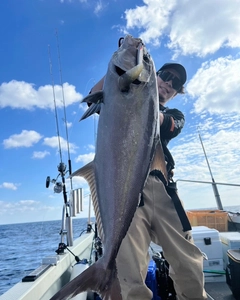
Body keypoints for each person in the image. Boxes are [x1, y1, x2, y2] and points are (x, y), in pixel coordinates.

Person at [88, 58, 207, 299]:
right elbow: (94, 95)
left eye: (176, 83)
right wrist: (119, 66)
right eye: (166, 75)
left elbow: (168, 124)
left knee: (188, 264)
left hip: (163, 190)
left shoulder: (173, 114)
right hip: (127, 192)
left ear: (176, 93)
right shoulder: (119, 98)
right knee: (130, 274)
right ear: (155, 75)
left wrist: (143, 99)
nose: (169, 83)